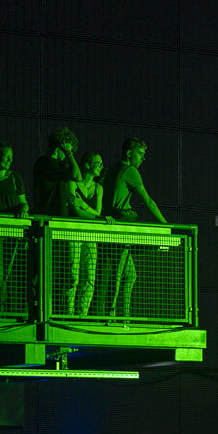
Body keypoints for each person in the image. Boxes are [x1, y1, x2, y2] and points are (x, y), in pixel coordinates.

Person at [102, 137, 167, 318]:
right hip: (120, 226)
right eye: (140, 153)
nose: (143, 158)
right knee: (119, 272)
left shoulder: (113, 169)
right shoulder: (129, 170)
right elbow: (148, 201)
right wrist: (166, 226)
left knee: (129, 274)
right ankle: (113, 316)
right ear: (129, 153)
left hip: (111, 224)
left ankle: (123, 315)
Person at [0, 142, 29, 312]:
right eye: (5, 156)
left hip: (13, 231)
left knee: (10, 274)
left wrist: (23, 210)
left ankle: (6, 311)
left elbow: (24, 203)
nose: (9, 160)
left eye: (11, 157)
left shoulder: (15, 178)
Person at [65, 152, 110, 315]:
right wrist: (94, 215)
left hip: (90, 235)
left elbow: (97, 212)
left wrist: (83, 205)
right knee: (73, 275)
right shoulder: (71, 184)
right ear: (87, 164)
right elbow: (75, 210)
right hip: (73, 233)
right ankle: (68, 313)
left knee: (90, 277)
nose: (101, 167)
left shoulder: (98, 188)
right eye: (98, 163)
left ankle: (82, 313)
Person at [32, 127, 81, 216]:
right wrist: (69, 153)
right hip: (48, 215)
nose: (66, 156)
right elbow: (77, 176)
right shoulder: (45, 162)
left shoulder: (58, 165)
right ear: (62, 146)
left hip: (56, 215)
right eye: (68, 151)